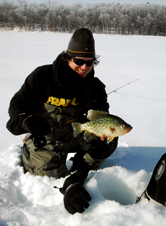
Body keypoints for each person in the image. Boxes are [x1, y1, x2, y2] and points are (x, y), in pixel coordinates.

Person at [6, 28, 118, 214]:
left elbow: (100, 117)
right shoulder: (42, 76)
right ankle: (32, 153)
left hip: (77, 134)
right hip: (46, 135)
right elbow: (17, 104)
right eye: (79, 61)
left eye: (90, 63)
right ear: (68, 57)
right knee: (48, 179)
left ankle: (80, 167)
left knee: (107, 143)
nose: (84, 68)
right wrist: (26, 120)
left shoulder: (95, 87)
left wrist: (79, 175)